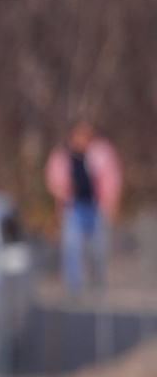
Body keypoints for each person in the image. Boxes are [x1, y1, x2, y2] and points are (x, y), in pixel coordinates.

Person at [45, 120, 122, 293]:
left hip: (96, 207)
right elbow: (53, 180)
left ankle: (98, 284)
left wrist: (111, 201)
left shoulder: (101, 152)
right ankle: (74, 287)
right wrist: (63, 194)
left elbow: (112, 178)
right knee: (72, 248)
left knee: (98, 249)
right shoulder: (62, 154)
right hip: (73, 207)